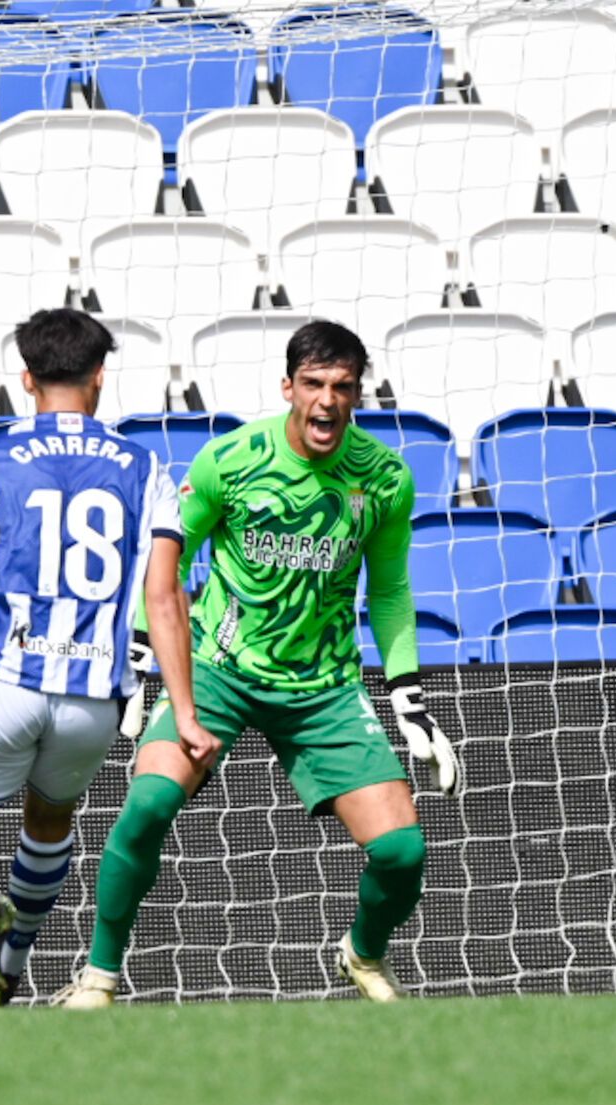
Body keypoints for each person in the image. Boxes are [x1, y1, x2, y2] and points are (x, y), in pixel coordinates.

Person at [54, 320, 459, 1009]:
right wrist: (143, 656)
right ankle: (98, 976)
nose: (327, 401)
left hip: (324, 685)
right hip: (217, 667)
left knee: (403, 853)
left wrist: (409, 697)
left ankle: (361, 954)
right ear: (287, 387)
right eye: (313, 384)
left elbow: (388, 589)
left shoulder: (384, 478)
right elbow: (167, 561)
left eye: (342, 387)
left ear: (358, 392)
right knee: (148, 804)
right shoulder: (230, 459)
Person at [0, 308, 220, 1007]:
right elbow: (165, 595)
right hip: (94, 699)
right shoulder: (145, 467)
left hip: (5, 683)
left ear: (25, 377)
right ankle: (11, 963)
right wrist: (187, 710)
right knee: (48, 821)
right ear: (100, 378)